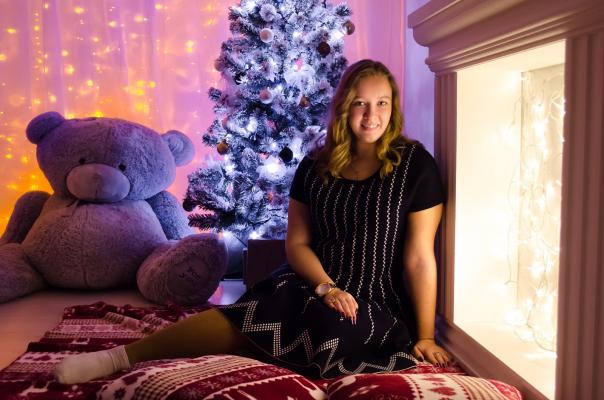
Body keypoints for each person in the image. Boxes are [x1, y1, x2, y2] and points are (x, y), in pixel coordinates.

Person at [54, 59, 451, 384]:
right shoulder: (316, 166)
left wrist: (425, 336)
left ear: (393, 107)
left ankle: (251, 354)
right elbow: (297, 244)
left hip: (374, 296)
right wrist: (326, 288)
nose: (371, 115)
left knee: (334, 331)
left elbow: (419, 258)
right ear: (345, 106)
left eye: (382, 103)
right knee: (255, 314)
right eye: (361, 103)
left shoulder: (415, 166)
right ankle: (118, 358)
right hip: (313, 279)